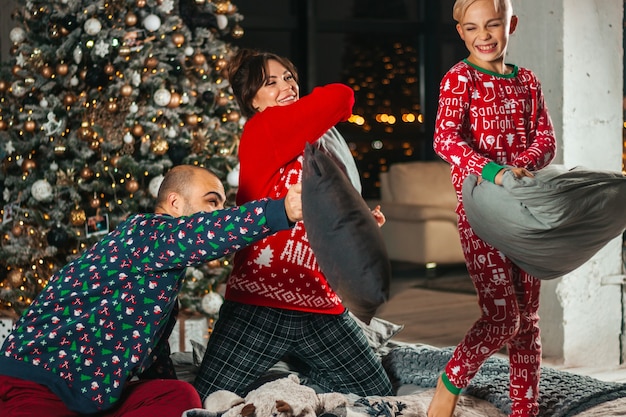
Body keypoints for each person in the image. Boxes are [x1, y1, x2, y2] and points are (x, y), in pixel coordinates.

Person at [0, 165, 303, 417]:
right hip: (36, 382)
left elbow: (151, 353)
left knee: (179, 395)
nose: (219, 212)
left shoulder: (161, 270)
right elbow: (206, 232)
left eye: (222, 205)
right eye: (212, 202)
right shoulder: (145, 231)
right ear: (174, 204)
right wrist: (281, 210)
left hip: (93, 395)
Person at [193, 49, 393, 401]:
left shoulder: (319, 144)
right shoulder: (264, 129)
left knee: (375, 392)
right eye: (270, 83)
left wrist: (359, 220)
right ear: (252, 101)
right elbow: (341, 97)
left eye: (289, 78)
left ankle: (294, 391)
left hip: (321, 304)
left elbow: (331, 210)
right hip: (261, 304)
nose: (287, 86)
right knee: (207, 399)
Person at [428, 1, 557, 416]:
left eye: (493, 25)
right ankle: (447, 388)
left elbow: (546, 140)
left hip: (524, 211)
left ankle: (526, 408)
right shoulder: (459, 78)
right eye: (472, 28)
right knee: (503, 317)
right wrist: (495, 172)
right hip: (480, 212)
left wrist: (524, 165)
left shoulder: (527, 81)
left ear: (510, 25)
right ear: (461, 34)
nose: (483, 35)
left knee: (529, 320)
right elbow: (445, 140)